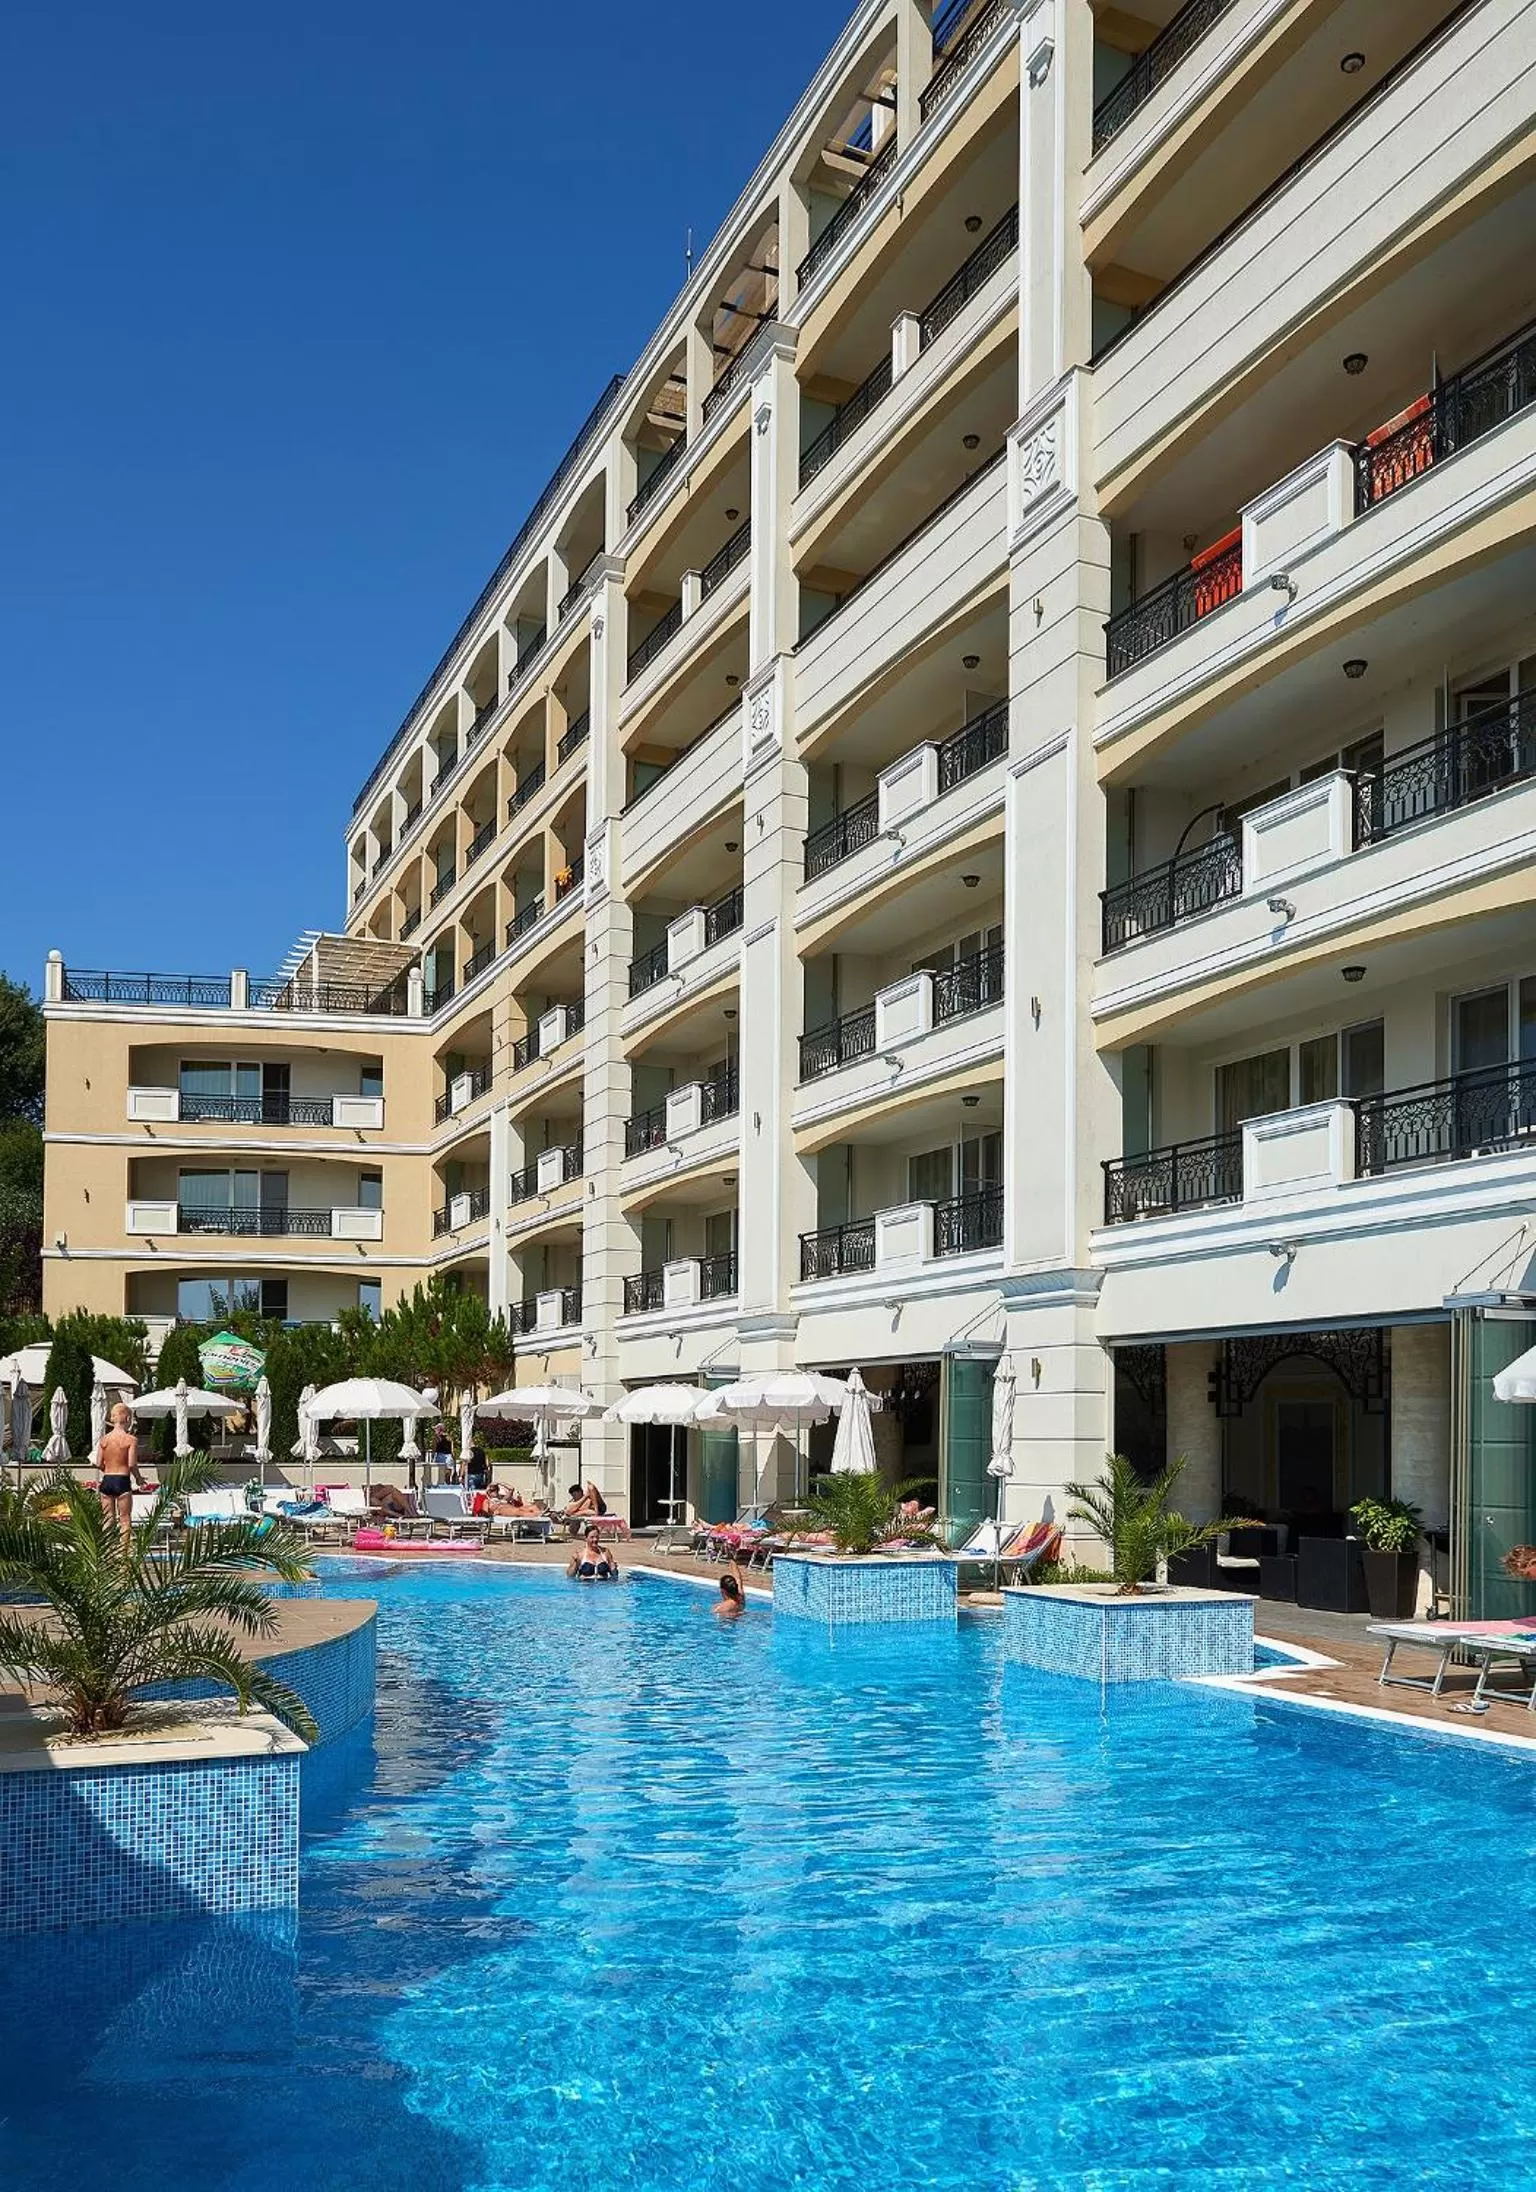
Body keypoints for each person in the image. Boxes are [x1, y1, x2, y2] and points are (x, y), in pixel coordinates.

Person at [96, 1402, 146, 1546]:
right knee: (124, 1519)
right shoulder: (130, 1440)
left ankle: (106, 1551)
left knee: (108, 1519)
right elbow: (131, 1464)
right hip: (122, 1479)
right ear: (128, 1419)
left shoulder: (104, 1440)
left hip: (107, 1479)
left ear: (112, 1418)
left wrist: (108, 1470)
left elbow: (98, 1463)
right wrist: (139, 1478)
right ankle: (123, 1554)